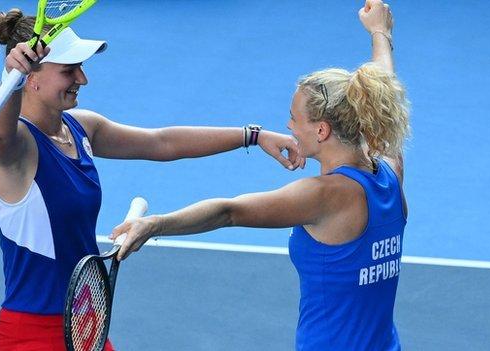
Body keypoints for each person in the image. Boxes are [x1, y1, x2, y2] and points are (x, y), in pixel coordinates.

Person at [0, 7, 303, 351]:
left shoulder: (80, 127)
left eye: (81, 68)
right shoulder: (16, 150)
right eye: (69, 70)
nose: (82, 78)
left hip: (83, 323)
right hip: (31, 335)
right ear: (31, 78)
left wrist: (251, 136)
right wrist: (8, 80)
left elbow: (161, 142)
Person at [112, 1, 408, 350]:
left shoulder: (324, 196)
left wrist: (155, 225)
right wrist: (379, 33)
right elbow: (382, 87)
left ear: (322, 131)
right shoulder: (390, 169)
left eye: (294, 117)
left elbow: (230, 211)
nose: (288, 125)